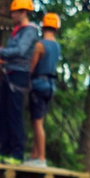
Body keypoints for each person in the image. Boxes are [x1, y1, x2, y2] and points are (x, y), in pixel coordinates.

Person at [0, 0, 39, 163]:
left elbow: (21, 51)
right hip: (10, 73)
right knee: (4, 113)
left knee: (14, 113)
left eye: (15, 13)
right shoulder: (18, 32)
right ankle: (4, 150)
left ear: (23, 12)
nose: (13, 16)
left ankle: (17, 154)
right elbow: (11, 52)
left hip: (18, 76)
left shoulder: (29, 31)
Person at [24, 12, 62, 167]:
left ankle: (41, 158)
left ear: (43, 26)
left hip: (39, 85)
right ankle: (35, 156)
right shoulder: (57, 46)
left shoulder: (40, 45)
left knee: (37, 123)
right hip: (50, 86)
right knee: (37, 121)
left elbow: (32, 66)